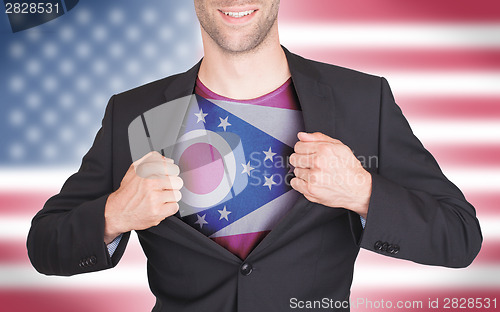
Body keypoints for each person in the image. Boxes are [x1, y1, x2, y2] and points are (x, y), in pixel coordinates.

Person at [27, 1, 482, 311]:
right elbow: (45, 246)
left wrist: (363, 191)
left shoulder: (363, 100)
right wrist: (114, 214)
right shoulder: (134, 112)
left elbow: (460, 236)